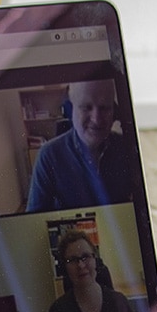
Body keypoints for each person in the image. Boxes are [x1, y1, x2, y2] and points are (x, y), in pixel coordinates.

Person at [26, 80, 134, 213]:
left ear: (114, 112)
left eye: (104, 108)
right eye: (86, 107)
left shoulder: (127, 147)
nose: (96, 119)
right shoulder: (48, 156)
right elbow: (35, 218)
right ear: (70, 110)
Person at [46, 230, 134, 312]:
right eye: (72, 260)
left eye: (86, 256)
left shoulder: (119, 303)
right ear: (64, 268)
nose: (81, 265)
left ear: (95, 260)